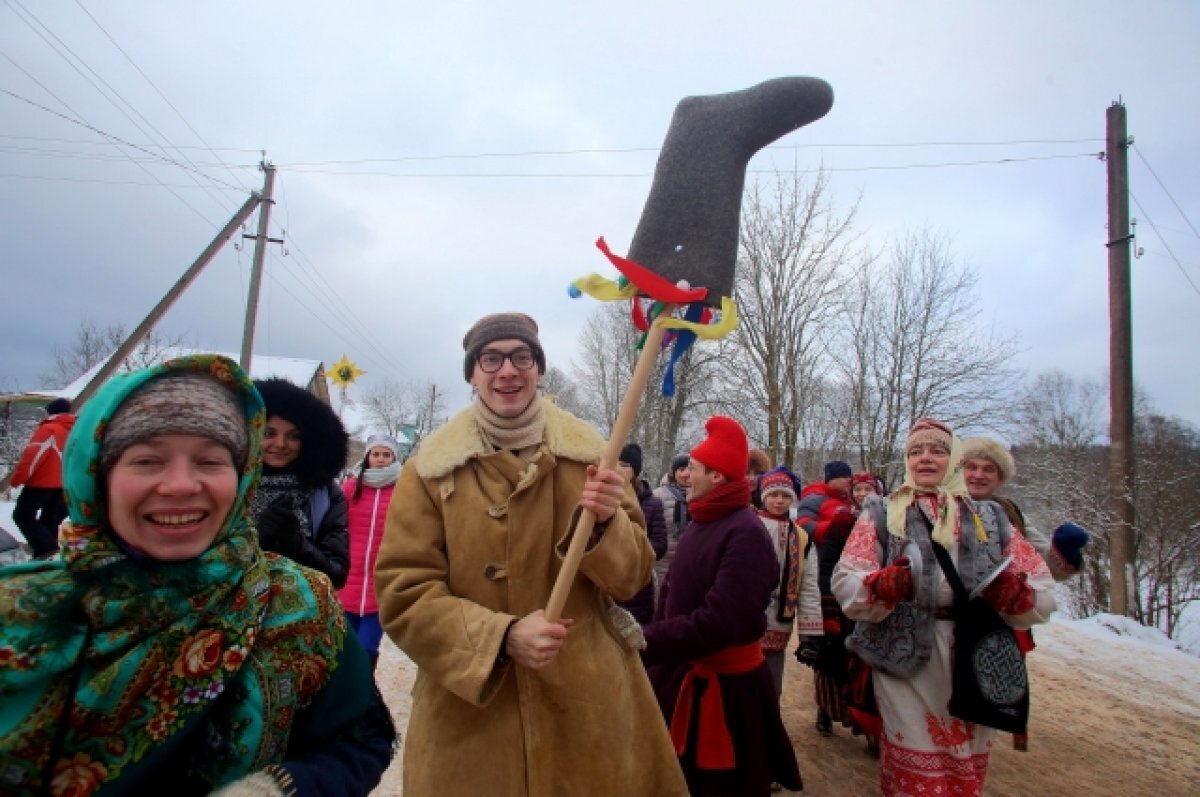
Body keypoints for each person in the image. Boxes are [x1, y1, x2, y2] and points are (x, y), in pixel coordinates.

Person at [0, 354, 395, 795]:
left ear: (239, 475)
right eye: (147, 460)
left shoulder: (302, 605)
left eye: (210, 462)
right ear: (94, 474)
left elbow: (359, 739)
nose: (181, 485)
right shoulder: (18, 619)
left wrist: (279, 787)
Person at [374, 312, 687, 797]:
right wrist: (500, 637)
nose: (507, 370)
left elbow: (634, 578)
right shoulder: (430, 471)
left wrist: (607, 525)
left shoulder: (592, 458)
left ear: (538, 369)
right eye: (491, 358)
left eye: (522, 357)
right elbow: (403, 592)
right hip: (470, 713)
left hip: (587, 707)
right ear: (473, 373)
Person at [833, 418, 1056, 797]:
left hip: (972, 657)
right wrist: (879, 586)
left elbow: (1043, 588)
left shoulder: (991, 518)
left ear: (953, 459)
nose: (926, 458)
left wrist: (1016, 596)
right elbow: (846, 580)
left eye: (937, 450)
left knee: (963, 769)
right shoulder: (883, 514)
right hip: (903, 661)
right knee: (914, 774)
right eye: (916, 451)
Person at [643, 415, 803, 796]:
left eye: (694, 468)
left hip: (728, 696)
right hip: (681, 676)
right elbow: (672, 594)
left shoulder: (744, 533)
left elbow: (721, 622)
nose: (686, 475)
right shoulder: (704, 522)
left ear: (716, 476)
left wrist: (646, 638)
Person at [250, 377, 350, 588]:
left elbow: (337, 574)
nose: (280, 444)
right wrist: (256, 538)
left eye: (293, 436)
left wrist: (295, 542)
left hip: (302, 615)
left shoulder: (324, 495)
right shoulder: (228, 486)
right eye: (269, 433)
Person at [961, 436, 1090, 582]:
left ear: (1000, 477)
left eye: (988, 469)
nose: (978, 475)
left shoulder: (1011, 513)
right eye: (972, 467)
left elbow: (1043, 566)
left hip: (1000, 602)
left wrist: (1064, 551)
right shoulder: (940, 507)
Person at [796, 459, 856, 735]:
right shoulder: (815, 499)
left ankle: (852, 711)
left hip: (852, 579)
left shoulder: (857, 501)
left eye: (849, 477)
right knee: (828, 648)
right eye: (842, 477)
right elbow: (804, 528)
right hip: (824, 577)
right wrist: (833, 527)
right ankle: (824, 710)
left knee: (852, 651)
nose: (847, 481)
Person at [756, 466, 822, 701]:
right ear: (763, 497)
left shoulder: (802, 537)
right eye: (773, 495)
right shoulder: (749, 526)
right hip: (746, 617)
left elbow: (809, 585)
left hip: (780, 621)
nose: (779, 501)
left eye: (785, 496)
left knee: (772, 686)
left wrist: (809, 634)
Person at [339, 433, 401, 672]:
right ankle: (344, 697)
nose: (381, 459)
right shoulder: (350, 488)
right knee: (345, 646)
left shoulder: (403, 489)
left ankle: (365, 693)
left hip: (380, 587)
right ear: (367, 457)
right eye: (376, 454)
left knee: (366, 648)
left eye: (386, 455)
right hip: (349, 583)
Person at [9, 397, 74, 559]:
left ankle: (47, 549)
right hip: (65, 483)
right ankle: (46, 555)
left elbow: (33, 456)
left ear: (50, 412)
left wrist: (17, 479)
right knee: (50, 518)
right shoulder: (74, 430)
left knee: (22, 515)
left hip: (43, 482)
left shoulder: (49, 429)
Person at [616, 442, 668, 625]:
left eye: (624, 465)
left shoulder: (652, 503)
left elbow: (661, 545)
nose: (619, 469)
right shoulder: (606, 498)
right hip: (607, 583)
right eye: (616, 463)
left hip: (638, 587)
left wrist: (630, 547)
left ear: (635, 471)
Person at [652, 453, 691, 609]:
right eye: (681, 469)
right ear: (674, 473)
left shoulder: (701, 495)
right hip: (662, 564)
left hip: (688, 565)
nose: (686, 473)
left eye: (690, 468)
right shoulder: (658, 496)